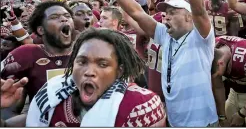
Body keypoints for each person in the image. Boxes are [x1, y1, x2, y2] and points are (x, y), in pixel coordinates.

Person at [89, 0, 217, 126]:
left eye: (173, 12)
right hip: (174, 121)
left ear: (189, 17)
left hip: (202, 122)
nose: (166, 16)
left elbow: (199, 9)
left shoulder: (200, 37)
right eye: (166, 12)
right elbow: (137, 13)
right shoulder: (166, 36)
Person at [26, 29, 166, 127]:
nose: (89, 72)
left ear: (119, 71)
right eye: (82, 62)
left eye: (102, 64)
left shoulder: (141, 105)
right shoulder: (52, 93)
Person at [1, 1, 75, 126]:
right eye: (54, 17)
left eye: (67, 16)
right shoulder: (26, 53)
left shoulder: (87, 50)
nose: (64, 19)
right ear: (41, 30)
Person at [211, 35, 246, 127]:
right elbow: (218, 87)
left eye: (217, 75)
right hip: (233, 92)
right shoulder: (214, 47)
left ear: (221, 63)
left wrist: (242, 113)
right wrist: (222, 117)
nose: (217, 77)